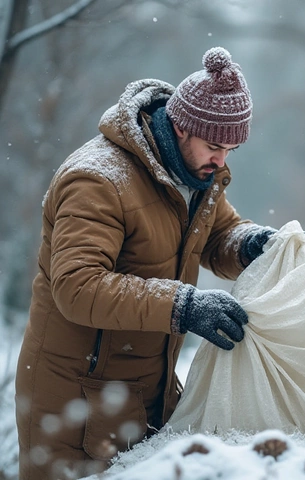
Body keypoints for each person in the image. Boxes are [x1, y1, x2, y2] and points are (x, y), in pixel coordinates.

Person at [15, 46, 277, 480]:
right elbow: (76, 287)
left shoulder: (197, 176)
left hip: (144, 392)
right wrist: (182, 306)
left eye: (231, 150)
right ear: (179, 127)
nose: (221, 161)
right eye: (215, 146)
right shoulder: (98, 180)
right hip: (74, 403)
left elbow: (217, 236)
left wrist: (252, 244)